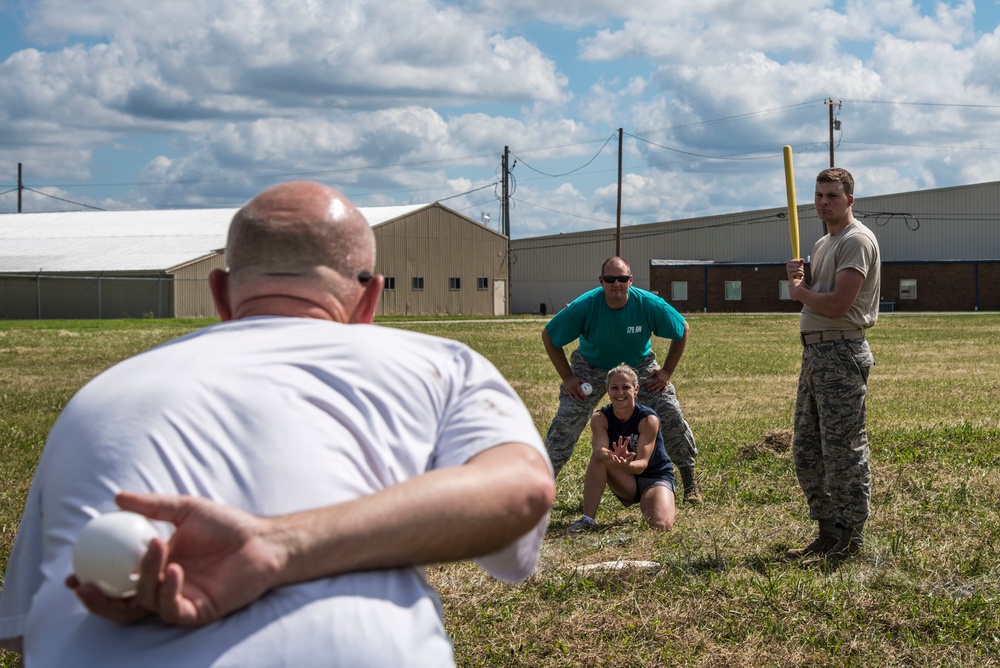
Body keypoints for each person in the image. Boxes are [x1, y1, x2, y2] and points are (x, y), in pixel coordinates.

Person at [0, 181, 555, 666]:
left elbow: (26, 632)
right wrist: (276, 545)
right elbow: (522, 489)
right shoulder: (443, 366)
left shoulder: (98, 395)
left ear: (220, 293)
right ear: (371, 300)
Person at [542, 256, 702, 503]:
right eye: (610, 279)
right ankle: (540, 489)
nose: (616, 284)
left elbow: (682, 330)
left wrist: (667, 371)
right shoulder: (584, 306)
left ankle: (690, 483)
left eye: (622, 278)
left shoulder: (648, 304)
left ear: (631, 280)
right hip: (591, 367)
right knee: (566, 421)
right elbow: (549, 336)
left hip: (637, 366)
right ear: (601, 281)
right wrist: (568, 377)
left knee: (669, 410)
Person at [784, 167, 881, 566]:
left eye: (832, 196)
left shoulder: (855, 240)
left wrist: (800, 292)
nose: (823, 202)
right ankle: (828, 532)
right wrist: (802, 279)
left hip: (840, 352)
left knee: (843, 449)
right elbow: (818, 293)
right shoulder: (826, 241)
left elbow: (840, 304)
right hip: (817, 355)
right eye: (819, 195)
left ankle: (851, 538)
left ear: (850, 200)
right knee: (807, 447)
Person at [568, 364, 676, 532]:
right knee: (598, 458)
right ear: (607, 390)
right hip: (625, 477)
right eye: (614, 388)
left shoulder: (648, 420)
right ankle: (587, 519)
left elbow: (641, 465)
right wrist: (614, 458)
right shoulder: (600, 418)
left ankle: (654, 499)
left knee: (661, 525)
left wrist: (624, 462)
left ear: (636, 389)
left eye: (626, 387)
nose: (620, 393)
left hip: (654, 477)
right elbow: (599, 451)